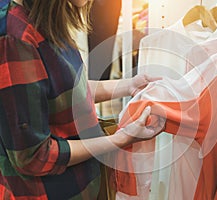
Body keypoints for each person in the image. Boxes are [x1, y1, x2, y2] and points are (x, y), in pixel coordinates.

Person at [0, 0, 165, 199]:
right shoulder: (15, 40)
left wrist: (128, 85)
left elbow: (63, 91)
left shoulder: (45, 21)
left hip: (80, 184)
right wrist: (119, 139)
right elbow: (33, 156)